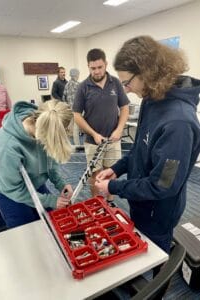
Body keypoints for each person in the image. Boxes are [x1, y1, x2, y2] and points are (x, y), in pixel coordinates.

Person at [95, 35, 200, 254]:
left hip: (158, 211)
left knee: (156, 259)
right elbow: (139, 150)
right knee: (140, 247)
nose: (127, 90)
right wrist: (116, 169)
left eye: (127, 82)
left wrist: (114, 188)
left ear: (147, 73)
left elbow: (162, 185)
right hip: (140, 200)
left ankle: (157, 287)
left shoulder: (178, 124)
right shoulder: (152, 100)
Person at [0, 100, 73, 229]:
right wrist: (50, 200)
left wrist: (61, 183)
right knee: (28, 230)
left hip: (34, 181)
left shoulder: (43, 124)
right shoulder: (7, 145)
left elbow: (49, 161)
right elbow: (12, 188)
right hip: (9, 191)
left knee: (50, 224)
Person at [73, 48, 129, 199]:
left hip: (113, 139)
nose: (97, 71)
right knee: (95, 174)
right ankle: (96, 202)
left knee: (111, 172)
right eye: (93, 68)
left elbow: (124, 108)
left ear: (106, 64)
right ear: (88, 66)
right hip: (93, 141)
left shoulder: (115, 83)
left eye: (100, 67)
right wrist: (93, 134)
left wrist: (119, 129)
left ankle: (109, 203)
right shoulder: (83, 87)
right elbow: (77, 115)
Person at [63, 68, 81, 145]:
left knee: (70, 128)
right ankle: (77, 145)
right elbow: (82, 98)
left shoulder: (66, 85)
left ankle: (69, 144)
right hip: (77, 109)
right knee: (76, 128)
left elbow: (63, 97)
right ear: (76, 75)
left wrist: (68, 106)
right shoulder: (78, 85)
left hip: (69, 109)